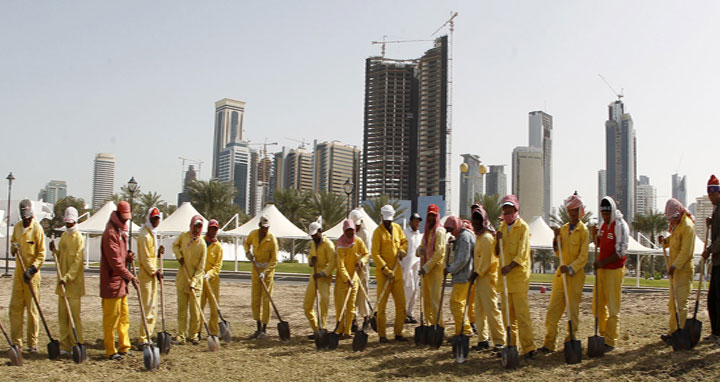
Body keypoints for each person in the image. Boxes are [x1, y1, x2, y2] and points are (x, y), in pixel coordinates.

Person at [539, 193, 589, 354]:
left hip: (575, 277)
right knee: (553, 311)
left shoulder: (584, 231)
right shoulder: (564, 229)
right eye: (570, 211)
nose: (572, 214)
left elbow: (583, 258)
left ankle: (571, 340)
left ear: (580, 211)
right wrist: (555, 239)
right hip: (561, 276)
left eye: (575, 210)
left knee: (572, 311)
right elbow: (559, 253)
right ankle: (549, 343)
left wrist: (571, 268)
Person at [495, 194, 537, 359]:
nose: (507, 213)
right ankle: (511, 346)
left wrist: (510, 266)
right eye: (505, 210)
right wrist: (497, 240)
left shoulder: (523, 227)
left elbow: (522, 253)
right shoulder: (502, 228)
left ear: (516, 209)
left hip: (518, 278)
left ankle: (529, 348)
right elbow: (496, 252)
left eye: (510, 209)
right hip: (505, 280)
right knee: (508, 316)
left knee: (522, 315)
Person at [591, 196, 629, 352]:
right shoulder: (603, 225)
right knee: (597, 305)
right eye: (602, 214)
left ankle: (611, 340)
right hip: (602, 270)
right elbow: (599, 243)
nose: (605, 217)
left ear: (612, 211)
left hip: (614, 270)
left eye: (607, 214)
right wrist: (594, 235)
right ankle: (602, 333)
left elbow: (620, 252)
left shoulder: (620, 226)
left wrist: (603, 262)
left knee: (613, 307)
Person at [100, 201, 136, 360]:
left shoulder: (121, 232)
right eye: (124, 218)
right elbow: (114, 262)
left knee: (124, 317)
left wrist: (127, 257)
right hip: (111, 284)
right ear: (118, 215)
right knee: (111, 320)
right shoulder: (110, 233)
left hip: (121, 284)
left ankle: (124, 346)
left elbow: (120, 259)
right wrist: (130, 276)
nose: (126, 221)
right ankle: (110, 350)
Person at [9, 199, 45, 354]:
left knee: (32, 311)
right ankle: (17, 342)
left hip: (32, 277)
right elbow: (12, 245)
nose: (26, 219)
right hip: (18, 275)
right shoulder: (17, 228)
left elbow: (42, 254)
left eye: (28, 216)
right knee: (15, 309)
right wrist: (14, 248)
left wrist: (32, 269)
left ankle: (33, 344)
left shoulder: (37, 229)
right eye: (24, 216)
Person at [469, 203, 505, 353]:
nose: (475, 224)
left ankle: (500, 341)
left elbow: (487, 261)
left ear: (483, 221)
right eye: (474, 221)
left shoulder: (487, 238)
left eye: (478, 221)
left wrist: (476, 273)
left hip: (487, 278)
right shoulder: (479, 237)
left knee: (491, 310)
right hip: (479, 278)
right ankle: (483, 339)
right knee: (479, 310)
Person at [658, 198, 695, 345]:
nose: (672, 221)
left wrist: (674, 266)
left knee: (681, 303)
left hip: (683, 271)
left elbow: (686, 251)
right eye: (670, 219)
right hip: (675, 271)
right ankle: (674, 332)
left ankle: (683, 332)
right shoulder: (676, 226)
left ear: (679, 212)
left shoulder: (687, 226)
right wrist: (665, 242)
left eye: (674, 218)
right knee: (672, 304)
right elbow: (674, 241)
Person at [50, 206, 86, 356]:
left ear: (75, 221)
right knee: (63, 316)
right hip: (62, 285)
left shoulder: (79, 238)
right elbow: (60, 258)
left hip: (74, 286)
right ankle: (64, 346)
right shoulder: (64, 236)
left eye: (71, 223)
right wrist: (54, 251)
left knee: (74, 317)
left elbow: (78, 262)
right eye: (67, 223)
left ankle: (76, 343)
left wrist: (68, 277)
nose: (69, 225)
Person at [371, 205, 409, 343]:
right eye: (386, 220)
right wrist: (385, 269)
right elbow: (375, 253)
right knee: (381, 306)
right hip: (384, 275)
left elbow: (405, 242)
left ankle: (398, 333)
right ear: (381, 217)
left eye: (390, 220)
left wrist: (403, 250)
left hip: (397, 273)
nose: (388, 222)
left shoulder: (398, 229)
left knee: (401, 305)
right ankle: (382, 335)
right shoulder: (377, 232)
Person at [173, 216, 207, 345]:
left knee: (195, 312)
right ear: (191, 225)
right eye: (195, 226)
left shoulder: (202, 245)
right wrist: (179, 256)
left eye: (199, 227)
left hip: (195, 284)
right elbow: (175, 246)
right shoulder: (183, 237)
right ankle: (181, 335)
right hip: (182, 280)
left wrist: (193, 282)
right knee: (182, 311)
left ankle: (193, 335)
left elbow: (201, 268)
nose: (197, 229)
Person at [244, 215, 279, 339]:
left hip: (267, 274)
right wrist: (248, 253)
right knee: (255, 300)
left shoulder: (272, 239)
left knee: (266, 301)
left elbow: (274, 260)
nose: (265, 230)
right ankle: (258, 327)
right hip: (255, 270)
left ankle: (264, 328)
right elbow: (246, 243)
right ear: (259, 226)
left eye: (267, 228)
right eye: (263, 227)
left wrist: (265, 272)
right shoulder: (253, 234)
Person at [335, 219, 369, 337]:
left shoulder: (358, 241)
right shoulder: (340, 244)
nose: (350, 233)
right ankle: (339, 330)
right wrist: (346, 278)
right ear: (344, 231)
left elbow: (366, 254)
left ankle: (347, 331)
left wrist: (361, 261)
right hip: (342, 281)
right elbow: (340, 264)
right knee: (340, 307)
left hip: (354, 278)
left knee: (351, 307)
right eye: (347, 230)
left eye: (352, 230)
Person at [444, 215, 475, 340]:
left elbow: (462, 259)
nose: (451, 232)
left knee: (456, 304)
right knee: (459, 304)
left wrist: (450, 269)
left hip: (463, 275)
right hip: (464, 275)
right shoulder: (462, 236)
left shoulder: (464, 237)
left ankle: (465, 330)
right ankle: (460, 331)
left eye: (452, 229)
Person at [303, 218, 336, 338]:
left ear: (320, 231)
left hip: (324, 276)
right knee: (307, 305)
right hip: (314, 275)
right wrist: (311, 261)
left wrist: (323, 273)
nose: (313, 237)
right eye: (312, 236)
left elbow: (333, 262)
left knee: (324, 300)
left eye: (315, 235)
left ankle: (323, 327)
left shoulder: (328, 245)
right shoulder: (313, 244)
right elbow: (309, 259)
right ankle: (316, 329)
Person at [136, 207, 163, 347]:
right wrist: (155, 271)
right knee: (147, 307)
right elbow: (145, 259)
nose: (156, 221)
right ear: (149, 218)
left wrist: (158, 255)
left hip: (152, 275)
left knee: (153, 307)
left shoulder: (152, 234)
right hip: (146, 275)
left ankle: (148, 336)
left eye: (157, 218)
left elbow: (151, 257)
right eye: (153, 218)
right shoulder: (145, 235)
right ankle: (143, 338)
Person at [418, 204, 447, 332]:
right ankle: (430, 325)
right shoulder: (427, 232)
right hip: (425, 269)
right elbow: (422, 246)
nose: (431, 218)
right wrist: (419, 250)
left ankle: (438, 325)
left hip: (435, 269)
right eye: (429, 215)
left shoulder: (440, 231)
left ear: (437, 216)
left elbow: (440, 252)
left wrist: (427, 266)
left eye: (433, 216)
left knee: (435, 299)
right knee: (427, 299)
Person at [703, 175, 720, 346]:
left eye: (713, 194)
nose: (711, 197)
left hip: (719, 260)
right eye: (709, 194)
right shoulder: (715, 210)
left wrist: (709, 250)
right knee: (712, 299)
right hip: (716, 262)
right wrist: (710, 222)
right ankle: (715, 332)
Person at [349, 209, 372, 331]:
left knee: (363, 295)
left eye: (358, 224)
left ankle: (366, 319)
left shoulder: (365, 234)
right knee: (352, 296)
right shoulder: (347, 234)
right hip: (351, 270)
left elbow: (367, 253)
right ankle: (353, 320)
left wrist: (361, 262)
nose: (356, 227)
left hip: (362, 270)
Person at [202, 219, 223, 337]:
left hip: (213, 281)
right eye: (211, 228)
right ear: (208, 229)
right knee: (199, 307)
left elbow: (218, 266)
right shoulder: (200, 242)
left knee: (214, 308)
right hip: (200, 279)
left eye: (215, 229)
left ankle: (213, 332)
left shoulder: (218, 247)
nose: (213, 231)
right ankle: (197, 332)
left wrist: (209, 274)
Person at [402, 212, 422, 324]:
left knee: (415, 290)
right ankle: (403, 312)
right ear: (411, 222)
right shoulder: (405, 233)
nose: (417, 223)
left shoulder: (419, 236)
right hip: (407, 266)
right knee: (409, 289)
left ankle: (410, 313)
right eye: (415, 221)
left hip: (416, 266)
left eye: (418, 221)